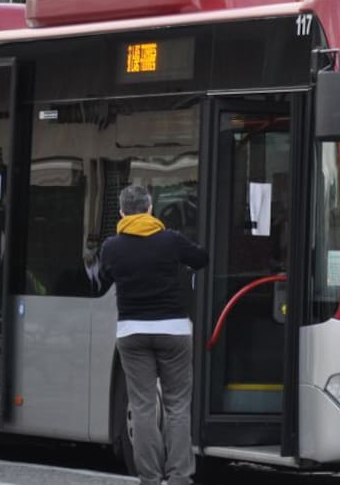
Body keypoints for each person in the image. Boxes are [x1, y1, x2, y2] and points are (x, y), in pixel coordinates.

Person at [100, 184, 208, 485]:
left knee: (143, 406)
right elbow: (201, 259)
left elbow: (103, 277)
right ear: (150, 209)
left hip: (132, 333)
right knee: (177, 406)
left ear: (122, 212)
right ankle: (179, 476)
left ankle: (149, 476)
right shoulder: (170, 240)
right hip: (173, 331)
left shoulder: (112, 246)